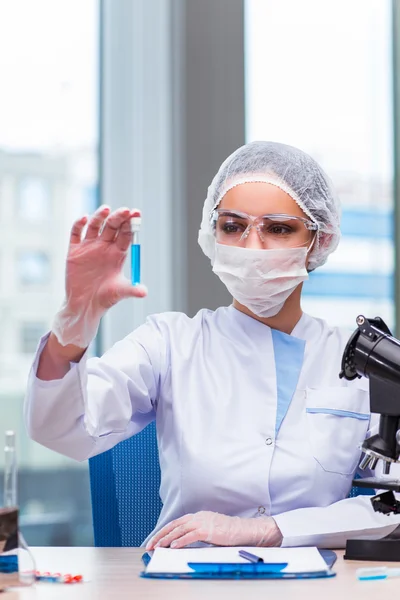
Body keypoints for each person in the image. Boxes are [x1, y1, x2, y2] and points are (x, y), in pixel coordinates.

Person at [24, 141, 400, 550]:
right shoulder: (169, 343)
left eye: (277, 229)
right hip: (184, 580)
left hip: (315, 583)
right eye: (233, 226)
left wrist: (270, 530)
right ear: (212, 233)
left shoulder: (359, 359)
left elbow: (394, 507)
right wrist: (76, 318)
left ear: (319, 239)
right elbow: (62, 430)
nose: (251, 248)